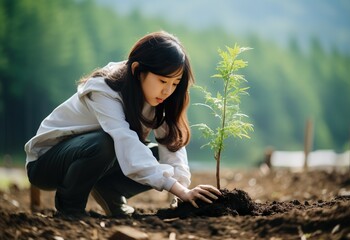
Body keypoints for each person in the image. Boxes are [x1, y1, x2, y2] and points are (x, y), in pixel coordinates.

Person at [25, 31, 221, 218]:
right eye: (162, 81)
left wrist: (182, 193)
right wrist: (175, 187)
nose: (168, 91)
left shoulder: (159, 98)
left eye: (175, 83)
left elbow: (171, 146)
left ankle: (111, 192)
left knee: (153, 153)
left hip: (96, 158)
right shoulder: (104, 89)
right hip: (46, 164)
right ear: (137, 70)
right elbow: (125, 141)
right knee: (107, 143)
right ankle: (71, 208)